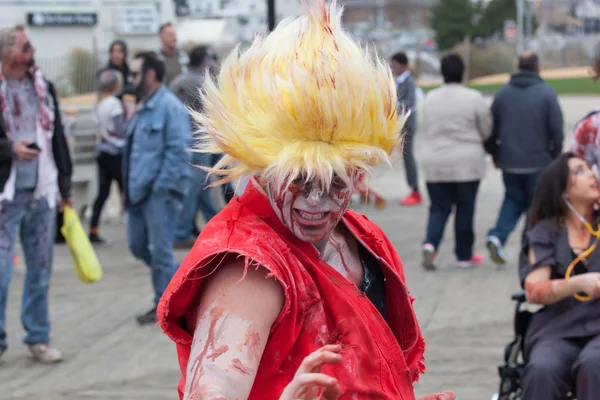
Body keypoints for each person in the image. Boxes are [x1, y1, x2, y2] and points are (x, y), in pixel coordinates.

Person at [157, 1, 455, 399]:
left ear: (359, 173)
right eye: (299, 180)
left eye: (336, 183)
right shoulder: (248, 269)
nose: (318, 202)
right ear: (263, 169)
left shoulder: (362, 236)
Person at [0, 25, 72, 363]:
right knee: (2, 271)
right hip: (5, 193)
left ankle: (38, 338)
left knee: (40, 269)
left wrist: (65, 188)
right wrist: (9, 147)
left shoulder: (44, 87)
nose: (33, 52)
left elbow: (57, 139)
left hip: (42, 190)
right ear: (8, 52)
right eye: (26, 46)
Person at [519, 152, 600, 399]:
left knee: (594, 363)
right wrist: (578, 282)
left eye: (590, 169)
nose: (591, 175)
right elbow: (534, 290)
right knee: (543, 367)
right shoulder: (545, 231)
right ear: (563, 191)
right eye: (579, 171)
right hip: (558, 328)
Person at [123, 51, 191, 325]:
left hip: (159, 195)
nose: (130, 79)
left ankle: (164, 304)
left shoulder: (169, 107)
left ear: (151, 74)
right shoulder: (143, 106)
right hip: (138, 193)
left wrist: (162, 189)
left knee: (160, 250)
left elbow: (178, 151)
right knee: (137, 245)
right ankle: (180, 283)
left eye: (136, 73)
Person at [485, 51, 564, 264]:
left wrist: (495, 153)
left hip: (510, 161)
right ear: (538, 68)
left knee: (512, 199)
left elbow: (491, 128)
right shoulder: (547, 93)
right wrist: (556, 157)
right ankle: (528, 247)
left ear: (518, 67)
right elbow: (556, 130)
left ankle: (497, 236)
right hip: (539, 161)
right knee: (535, 205)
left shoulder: (502, 93)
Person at [418, 53, 493, 270]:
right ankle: (464, 255)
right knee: (465, 208)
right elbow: (486, 128)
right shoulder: (473, 98)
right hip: (466, 163)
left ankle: (430, 244)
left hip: (435, 162)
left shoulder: (429, 99)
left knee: (438, 208)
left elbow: (424, 126)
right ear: (463, 72)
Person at [169, 45, 220, 248]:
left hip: (182, 139)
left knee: (200, 188)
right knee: (195, 188)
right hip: (200, 141)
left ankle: (216, 224)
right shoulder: (202, 82)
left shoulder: (177, 81)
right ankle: (181, 232)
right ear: (205, 61)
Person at [88, 69, 131, 243]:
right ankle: (134, 230)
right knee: (127, 191)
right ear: (116, 85)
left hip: (102, 151)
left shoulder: (98, 102)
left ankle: (93, 229)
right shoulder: (114, 103)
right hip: (116, 153)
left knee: (103, 192)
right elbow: (121, 129)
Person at [391, 52, 421, 206]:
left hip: (407, 125)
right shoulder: (397, 81)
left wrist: (390, 105)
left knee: (409, 158)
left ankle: (415, 190)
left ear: (403, 66)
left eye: (394, 65)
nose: (393, 68)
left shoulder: (409, 82)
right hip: (399, 125)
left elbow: (408, 103)